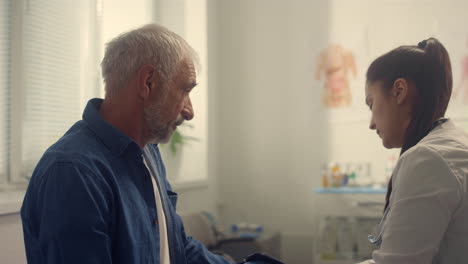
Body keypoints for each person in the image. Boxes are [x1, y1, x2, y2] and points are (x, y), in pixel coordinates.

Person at [20, 24, 236, 264]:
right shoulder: (73, 171)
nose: (189, 111)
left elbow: (174, 246)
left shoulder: (148, 151)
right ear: (148, 82)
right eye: (185, 90)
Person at [359, 38, 468, 264]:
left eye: (371, 104)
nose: (370, 124)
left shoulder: (427, 159)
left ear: (399, 91)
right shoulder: (452, 143)